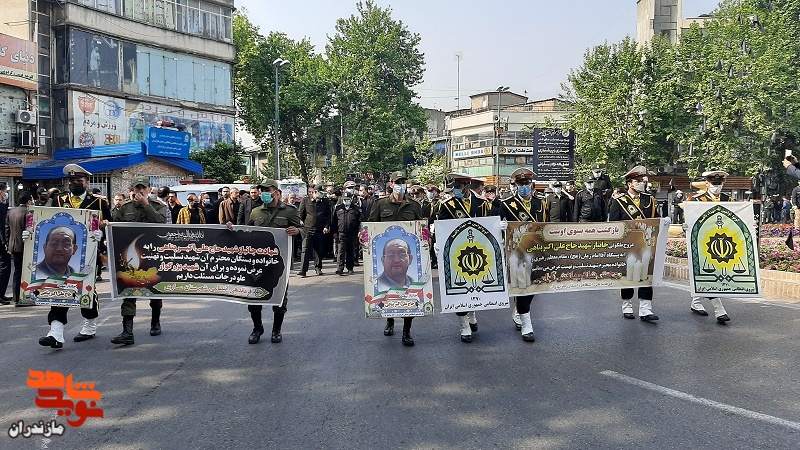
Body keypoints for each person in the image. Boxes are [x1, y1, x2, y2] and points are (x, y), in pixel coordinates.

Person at [37, 164, 110, 348]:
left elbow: (109, 224)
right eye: (71, 181)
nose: (73, 184)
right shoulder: (59, 199)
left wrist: (102, 232)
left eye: (78, 180)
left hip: (90, 254)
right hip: (62, 253)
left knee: (85, 289)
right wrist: (33, 233)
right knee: (59, 287)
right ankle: (56, 332)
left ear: (86, 183)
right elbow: (47, 222)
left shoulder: (100, 203)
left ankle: (90, 324)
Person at [107, 176, 168, 345]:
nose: (140, 191)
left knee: (154, 291)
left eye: (143, 188)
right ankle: (127, 331)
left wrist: (146, 205)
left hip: (152, 255)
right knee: (128, 292)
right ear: (132, 190)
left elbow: (160, 222)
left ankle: (155, 322)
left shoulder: (158, 206)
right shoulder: (124, 208)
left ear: (148, 189)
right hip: (130, 257)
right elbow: (114, 227)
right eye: (137, 188)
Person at [240, 180, 301, 344]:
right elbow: (246, 232)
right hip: (257, 263)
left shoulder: (290, 211)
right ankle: (257, 328)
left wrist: (297, 231)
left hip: (280, 263)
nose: (264, 193)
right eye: (262, 191)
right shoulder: (255, 212)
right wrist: (232, 229)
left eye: (267, 190)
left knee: (280, 298)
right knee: (254, 296)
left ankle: (276, 330)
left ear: (276, 192)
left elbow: (304, 230)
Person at [368, 171, 423, 346]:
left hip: (406, 256)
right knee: (387, 289)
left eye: (403, 182)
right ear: (391, 184)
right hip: (386, 255)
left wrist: (426, 237)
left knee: (409, 292)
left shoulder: (414, 205)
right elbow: (371, 226)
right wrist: (364, 238)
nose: (401, 185)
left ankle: (407, 331)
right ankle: (390, 320)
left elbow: (421, 228)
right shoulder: (380, 204)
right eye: (397, 182)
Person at [438, 173, 493, 343]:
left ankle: (472, 314)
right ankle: (463, 324)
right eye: (454, 187)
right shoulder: (447, 206)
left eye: (459, 187)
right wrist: (438, 242)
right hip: (457, 253)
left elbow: (489, 224)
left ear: (467, 187)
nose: (456, 190)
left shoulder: (482, 204)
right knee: (460, 288)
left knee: (475, 285)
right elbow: (442, 228)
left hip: (479, 252)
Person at [608, 165, 660, 322]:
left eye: (642, 180)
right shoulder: (619, 202)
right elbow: (614, 224)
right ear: (629, 183)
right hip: (628, 244)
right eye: (638, 181)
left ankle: (645, 308)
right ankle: (627, 305)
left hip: (646, 243)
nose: (642, 183)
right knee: (628, 275)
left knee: (647, 275)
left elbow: (656, 219)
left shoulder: (649, 199)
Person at [500, 168, 541, 341]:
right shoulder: (506, 204)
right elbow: (496, 226)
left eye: (526, 183)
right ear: (515, 186)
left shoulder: (541, 203)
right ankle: (526, 324)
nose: (523, 186)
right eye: (520, 184)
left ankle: (518, 310)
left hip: (537, 250)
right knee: (523, 285)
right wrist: (500, 227)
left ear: (531, 185)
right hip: (516, 252)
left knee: (533, 286)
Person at [688, 170, 732, 323]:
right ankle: (719, 309)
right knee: (710, 273)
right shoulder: (697, 200)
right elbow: (690, 219)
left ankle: (696, 301)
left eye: (719, 183)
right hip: (703, 242)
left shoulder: (729, 199)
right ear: (707, 183)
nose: (717, 186)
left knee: (712, 273)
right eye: (714, 183)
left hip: (723, 243)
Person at [297, 184, 331, 277]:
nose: (322, 195)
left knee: (319, 250)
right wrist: (301, 225)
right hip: (308, 229)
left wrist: (327, 226)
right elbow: (301, 214)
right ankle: (303, 270)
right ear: (315, 192)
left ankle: (318, 268)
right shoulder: (306, 200)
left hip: (320, 229)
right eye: (320, 193)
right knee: (305, 249)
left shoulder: (325, 201)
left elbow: (328, 215)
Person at [5, 191, 31, 306]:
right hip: (25, 245)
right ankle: (23, 297)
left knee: (17, 271)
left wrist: (7, 243)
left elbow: (7, 228)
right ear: (28, 201)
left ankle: (16, 297)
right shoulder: (29, 212)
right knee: (25, 271)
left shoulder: (11, 211)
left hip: (13, 245)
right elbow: (29, 229)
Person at [332, 192, 361, 275]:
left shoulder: (356, 209)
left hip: (352, 234)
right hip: (341, 233)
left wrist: (359, 231)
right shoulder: (338, 208)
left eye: (347, 199)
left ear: (351, 199)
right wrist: (334, 232)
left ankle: (350, 268)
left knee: (351, 251)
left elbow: (359, 221)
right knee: (341, 251)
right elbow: (334, 221)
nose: (346, 201)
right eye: (344, 199)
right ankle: (340, 268)